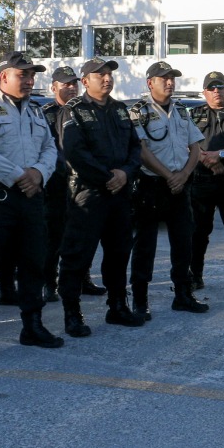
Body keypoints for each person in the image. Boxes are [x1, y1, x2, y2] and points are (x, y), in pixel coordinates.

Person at [0, 52, 63, 361]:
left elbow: (50, 148)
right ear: (4, 77)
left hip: (31, 196)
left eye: (32, 74)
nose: (30, 80)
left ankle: (32, 326)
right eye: (23, 74)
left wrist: (39, 174)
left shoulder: (36, 111)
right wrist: (19, 176)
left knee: (34, 262)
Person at [56, 58, 143, 336]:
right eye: (100, 75)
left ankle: (117, 307)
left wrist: (126, 173)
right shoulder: (74, 111)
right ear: (85, 81)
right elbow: (75, 152)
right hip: (89, 193)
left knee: (118, 254)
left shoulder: (120, 110)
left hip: (119, 193)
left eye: (109, 75)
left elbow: (135, 147)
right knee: (77, 256)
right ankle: (72, 314)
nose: (107, 79)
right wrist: (109, 177)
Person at [129, 60, 208, 316]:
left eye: (172, 78)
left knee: (184, 242)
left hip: (180, 186)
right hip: (151, 186)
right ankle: (140, 300)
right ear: (150, 83)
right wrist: (168, 176)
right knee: (145, 246)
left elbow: (196, 145)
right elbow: (140, 151)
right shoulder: (138, 111)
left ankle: (183, 294)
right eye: (164, 78)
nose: (170, 82)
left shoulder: (182, 111)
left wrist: (183, 174)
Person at [40, 67, 105, 303]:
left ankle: (83, 278)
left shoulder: (83, 110)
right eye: (65, 84)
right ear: (54, 86)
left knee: (85, 235)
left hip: (83, 182)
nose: (71, 87)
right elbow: (46, 146)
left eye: (74, 83)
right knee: (54, 236)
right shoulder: (45, 113)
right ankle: (49, 282)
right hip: (56, 182)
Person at [188, 71, 224, 292]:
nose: (216, 91)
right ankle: (195, 275)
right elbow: (186, 142)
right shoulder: (193, 114)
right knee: (198, 233)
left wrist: (220, 155)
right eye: (211, 88)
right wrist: (209, 160)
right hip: (201, 181)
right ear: (204, 92)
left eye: (220, 87)